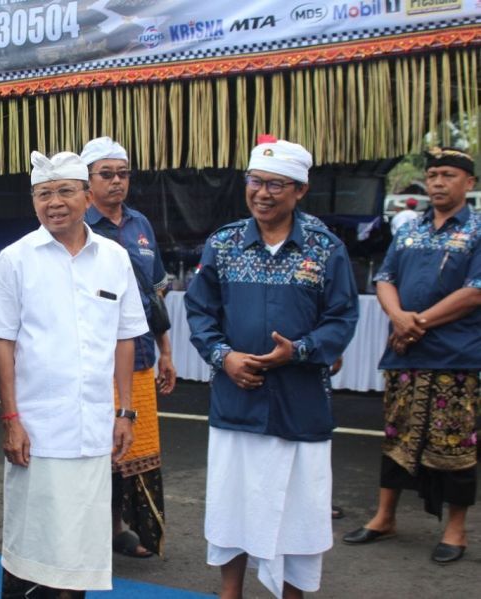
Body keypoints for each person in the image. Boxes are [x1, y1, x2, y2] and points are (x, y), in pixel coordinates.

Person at [185, 138, 359, 599]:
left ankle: (291, 595)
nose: (262, 193)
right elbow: (200, 312)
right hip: (236, 400)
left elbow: (342, 318)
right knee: (231, 507)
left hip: (299, 406)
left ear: (300, 190)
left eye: (275, 185)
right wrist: (224, 357)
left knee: (298, 513)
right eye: (255, 182)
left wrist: (299, 351)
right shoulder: (222, 244)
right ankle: (230, 593)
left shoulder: (326, 248)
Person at [0, 150, 148, 598]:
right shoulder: (16, 259)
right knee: (32, 542)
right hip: (37, 430)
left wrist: (125, 411)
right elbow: (2, 342)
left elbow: (125, 337)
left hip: (93, 428)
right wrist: (11, 420)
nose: (54, 202)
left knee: (81, 550)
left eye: (65, 191)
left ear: (87, 197)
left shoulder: (113, 257)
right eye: (43, 194)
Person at [343, 147, 480, 564]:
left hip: (455, 356)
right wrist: (399, 318)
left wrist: (415, 323)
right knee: (395, 438)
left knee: (455, 444)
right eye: (434, 174)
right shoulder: (409, 229)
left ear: (468, 183)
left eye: (448, 175)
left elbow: (475, 291)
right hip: (405, 355)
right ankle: (384, 517)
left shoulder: (476, 230)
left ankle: (455, 530)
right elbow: (385, 278)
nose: (438, 182)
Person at [81, 136, 176, 558]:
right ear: (87, 180)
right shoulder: (77, 225)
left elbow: (155, 295)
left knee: (133, 448)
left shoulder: (140, 224)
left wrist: (167, 352)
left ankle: (122, 529)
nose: (116, 181)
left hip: (138, 356)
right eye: (107, 174)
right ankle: (93, 534)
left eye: (122, 174)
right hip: (93, 359)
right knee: (94, 451)